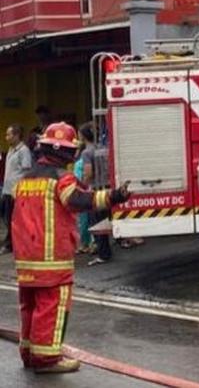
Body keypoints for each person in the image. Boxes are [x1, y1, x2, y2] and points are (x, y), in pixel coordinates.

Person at [12, 122, 130, 373]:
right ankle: (47, 359)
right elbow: (79, 200)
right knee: (51, 307)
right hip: (52, 259)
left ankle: (29, 353)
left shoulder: (25, 179)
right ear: (66, 151)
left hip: (26, 259)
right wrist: (115, 196)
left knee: (30, 306)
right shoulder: (61, 179)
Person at [79, 125, 112, 266]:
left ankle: (103, 254)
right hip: (107, 187)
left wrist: (82, 186)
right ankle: (106, 251)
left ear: (83, 136)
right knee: (105, 220)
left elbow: (88, 173)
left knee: (96, 223)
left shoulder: (86, 153)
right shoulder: (102, 149)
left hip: (95, 190)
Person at [1, 124, 32, 254]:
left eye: (9, 134)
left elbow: (27, 170)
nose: (7, 137)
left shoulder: (23, 151)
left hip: (16, 191)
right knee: (7, 218)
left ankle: (13, 244)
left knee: (15, 219)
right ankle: (12, 242)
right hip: (7, 190)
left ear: (17, 135)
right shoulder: (11, 150)